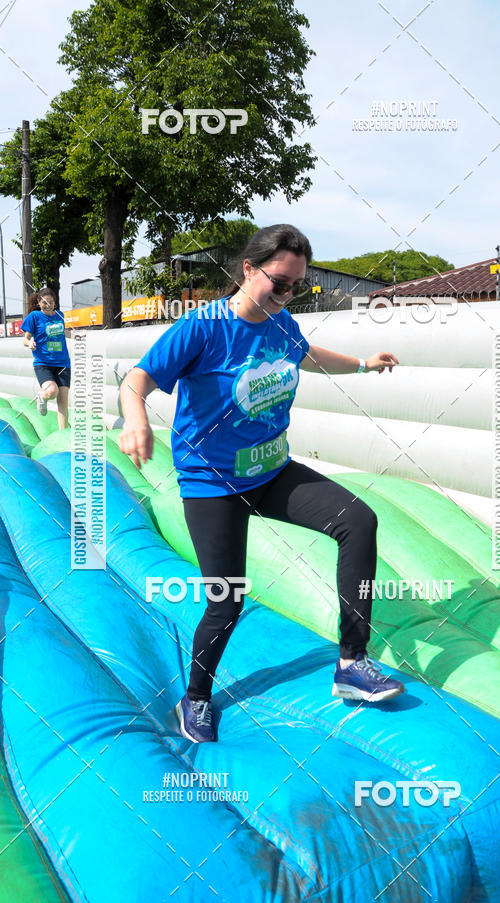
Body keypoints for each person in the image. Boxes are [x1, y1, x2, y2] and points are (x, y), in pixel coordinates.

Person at [119, 224, 404, 744]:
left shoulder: (283, 323)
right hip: (213, 484)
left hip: (272, 472)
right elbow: (137, 379)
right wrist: (135, 418)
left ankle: (351, 662)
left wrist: (364, 364)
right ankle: (197, 698)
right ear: (248, 270)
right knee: (226, 600)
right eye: (279, 281)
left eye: (296, 286)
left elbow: (309, 355)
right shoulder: (203, 328)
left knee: (359, 521)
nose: (287, 294)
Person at [20, 287, 71, 428]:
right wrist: (30, 343)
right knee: (52, 391)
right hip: (43, 363)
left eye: (51, 302)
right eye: (45, 303)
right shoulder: (34, 317)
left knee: (63, 402)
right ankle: (42, 396)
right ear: (39, 302)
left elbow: (63, 332)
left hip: (63, 363)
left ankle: (63, 435)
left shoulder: (60, 315)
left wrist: (77, 335)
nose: (48, 306)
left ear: (55, 302)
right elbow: (26, 339)